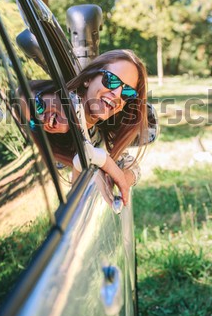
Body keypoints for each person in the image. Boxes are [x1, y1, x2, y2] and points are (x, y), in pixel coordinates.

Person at [21, 49, 148, 205]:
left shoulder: (99, 134)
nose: (116, 93)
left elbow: (133, 167)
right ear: (88, 79)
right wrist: (101, 160)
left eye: (127, 92)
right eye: (111, 80)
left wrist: (120, 179)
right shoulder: (43, 107)